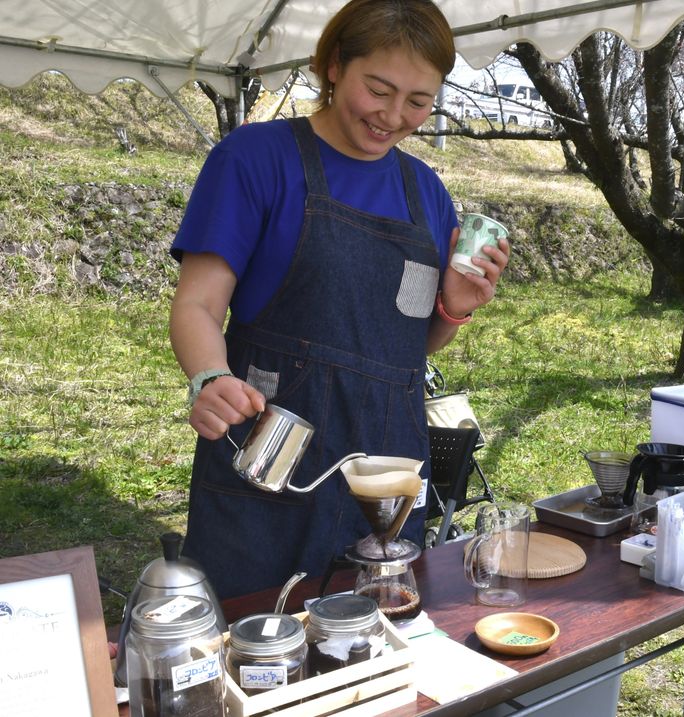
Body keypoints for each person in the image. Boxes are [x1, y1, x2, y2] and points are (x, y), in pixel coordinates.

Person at [168, 0, 510, 600]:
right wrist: (209, 377)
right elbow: (197, 305)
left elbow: (410, 344)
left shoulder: (426, 193)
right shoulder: (254, 159)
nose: (393, 116)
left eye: (418, 102)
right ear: (332, 67)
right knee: (252, 648)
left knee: (371, 645)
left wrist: (453, 308)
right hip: (271, 455)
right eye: (378, 89)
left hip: (384, 475)